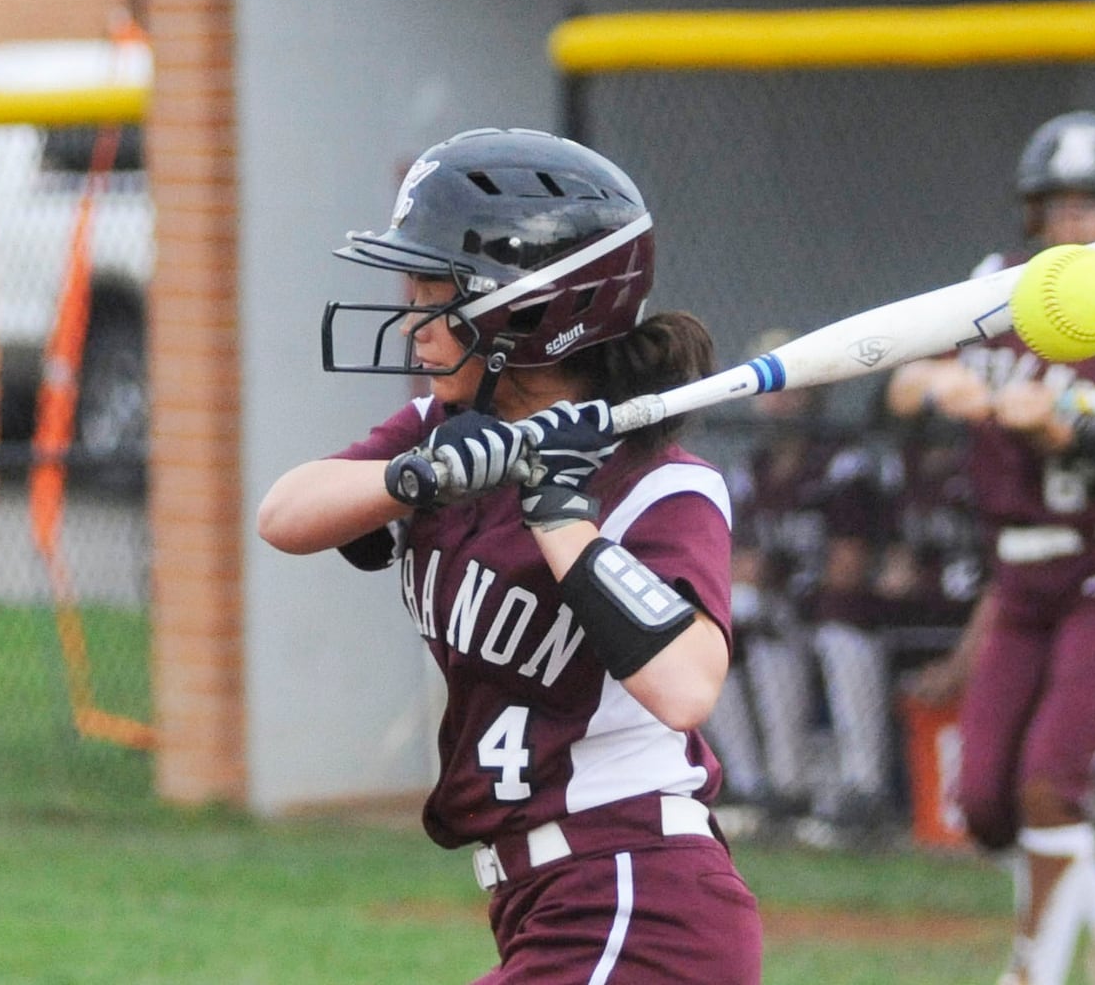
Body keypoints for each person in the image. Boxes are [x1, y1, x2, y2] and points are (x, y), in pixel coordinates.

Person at [258, 127, 762, 984]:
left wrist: (560, 514)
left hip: (637, 895)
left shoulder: (664, 488)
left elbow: (686, 686)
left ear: (534, 311)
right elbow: (285, 512)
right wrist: (416, 478)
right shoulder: (441, 429)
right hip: (547, 900)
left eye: (435, 286)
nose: (410, 312)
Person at [889, 110, 1095, 985]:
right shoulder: (996, 285)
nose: (1073, 225)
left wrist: (1059, 432)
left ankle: (1032, 973)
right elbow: (902, 388)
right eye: (1057, 207)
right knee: (983, 805)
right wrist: (936, 379)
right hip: (1018, 575)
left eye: (1091, 207)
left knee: (1048, 788)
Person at [707, 333, 892, 843]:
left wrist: (775, 574)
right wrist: (755, 573)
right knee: (727, 618)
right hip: (784, 612)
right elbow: (732, 563)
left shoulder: (841, 462)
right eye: (771, 384)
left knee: (836, 625)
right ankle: (760, 786)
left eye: (791, 382)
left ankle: (864, 787)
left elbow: (848, 567)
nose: (781, 397)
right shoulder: (752, 471)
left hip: (840, 612)